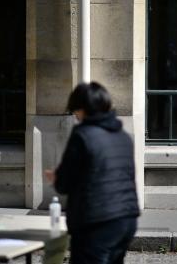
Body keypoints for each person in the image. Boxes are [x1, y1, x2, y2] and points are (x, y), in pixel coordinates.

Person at [45, 82, 140, 264]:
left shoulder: (83, 134)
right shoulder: (122, 136)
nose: (76, 116)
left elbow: (64, 183)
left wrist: (56, 178)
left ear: (83, 109)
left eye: (76, 111)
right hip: (127, 218)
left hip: (96, 221)